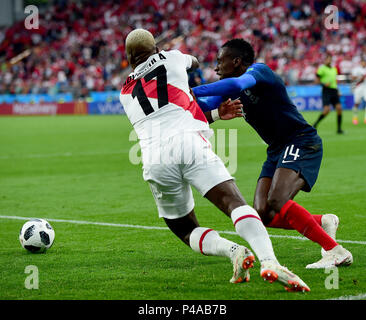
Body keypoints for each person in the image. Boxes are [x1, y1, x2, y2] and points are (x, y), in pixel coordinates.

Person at [120, 29, 310, 292]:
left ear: (129, 58)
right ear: (155, 49)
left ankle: (233, 251)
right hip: (189, 142)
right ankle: (270, 261)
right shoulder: (173, 57)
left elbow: (166, 114)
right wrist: (173, 57)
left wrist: (213, 114)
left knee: (185, 230)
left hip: (154, 157)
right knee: (235, 204)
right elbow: (194, 63)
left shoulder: (124, 93)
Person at [192, 39, 353, 269]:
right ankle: (323, 221)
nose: (216, 68)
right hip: (277, 149)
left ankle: (335, 250)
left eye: (220, 61)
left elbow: (237, 85)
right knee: (263, 214)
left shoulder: (259, 72)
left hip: (300, 140)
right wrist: (176, 95)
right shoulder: (229, 87)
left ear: (236, 61)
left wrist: (193, 90)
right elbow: (200, 108)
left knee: (278, 199)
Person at [312, 55, 344, 133]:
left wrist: (338, 91)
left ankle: (339, 129)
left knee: (339, 109)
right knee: (326, 110)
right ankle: (315, 124)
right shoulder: (322, 69)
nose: (329, 61)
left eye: (330, 60)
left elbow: (335, 81)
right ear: (325, 60)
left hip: (334, 90)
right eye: (327, 60)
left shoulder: (334, 69)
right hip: (326, 91)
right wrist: (323, 84)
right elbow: (316, 80)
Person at [351, 59, 366, 125]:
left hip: (365, 87)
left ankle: (365, 118)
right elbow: (353, 78)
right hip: (358, 87)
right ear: (361, 63)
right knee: (357, 103)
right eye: (362, 62)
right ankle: (355, 117)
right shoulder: (357, 69)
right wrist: (360, 77)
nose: (363, 63)